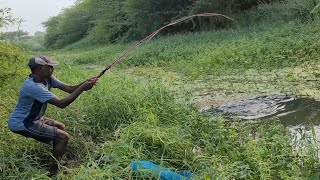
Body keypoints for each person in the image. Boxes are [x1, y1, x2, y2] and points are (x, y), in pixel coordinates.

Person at [8, 55, 99, 174]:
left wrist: (86, 83)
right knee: (63, 137)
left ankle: (59, 160)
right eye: (50, 67)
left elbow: (69, 88)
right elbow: (62, 104)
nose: (53, 69)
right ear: (40, 68)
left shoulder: (47, 78)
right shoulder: (33, 86)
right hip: (23, 123)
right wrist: (82, 88)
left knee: (60, 127)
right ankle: (53, 172)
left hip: (34, 119)